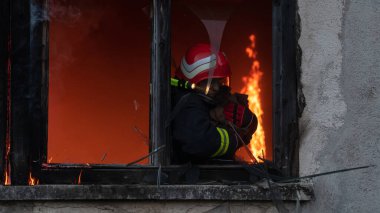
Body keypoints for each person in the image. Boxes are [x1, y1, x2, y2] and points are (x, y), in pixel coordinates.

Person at [171, 43, 258, 164]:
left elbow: (245, 121)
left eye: (220, 81)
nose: (217, 88)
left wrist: (250, 121)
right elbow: (201, 142)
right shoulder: (187, 104)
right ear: (195, 81)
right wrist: (235, 139)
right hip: (191, 180)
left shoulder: (211, 100)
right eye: (211, 82)